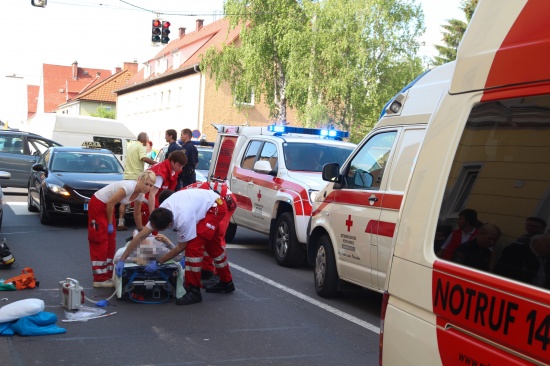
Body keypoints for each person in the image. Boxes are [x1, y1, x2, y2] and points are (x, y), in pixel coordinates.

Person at [116, 187, 236, 305]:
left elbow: (181, 247)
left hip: (215, 208)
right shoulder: (160, 213)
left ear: (169, 224)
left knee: (193, 248)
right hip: (207, 202)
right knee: (213, 248)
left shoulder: (183, 219)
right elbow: (140, 236)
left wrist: (159, 262)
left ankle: (193, 290)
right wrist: (122, 259)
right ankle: (227, 282)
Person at [88, 171, 155, 288]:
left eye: (151, 185)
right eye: (146, 183)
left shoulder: (140, 194)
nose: (147, 187)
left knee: (111, 241)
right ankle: (99, 278)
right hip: (99, 204)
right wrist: (109, 223)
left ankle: (108, 274)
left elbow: (137, 213)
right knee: (100, 240)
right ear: (140, 180)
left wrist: (141, 231)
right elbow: (110, 203)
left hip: (108, 206)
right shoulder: (128, 187)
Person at [118, 132, 157, 231]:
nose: (147, 141)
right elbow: (143, 158)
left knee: (123, 200)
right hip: (136, 177)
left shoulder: (131, 146)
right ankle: (140, 226)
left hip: (127, 175)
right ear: (143, 139)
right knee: (138, 201)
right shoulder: (140, 147)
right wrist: (157, 164)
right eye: (147, 139)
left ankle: (120, 222)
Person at [140, 150, 187, 228]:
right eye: (179, 165)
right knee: (149, 232)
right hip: (147, 203)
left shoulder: (172, 170)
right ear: (172, 162)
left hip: (154, 203)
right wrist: (153, 216)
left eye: (182, 166)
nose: (181, 168)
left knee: (151, 233)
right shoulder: (160, 173)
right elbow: (152, 194)